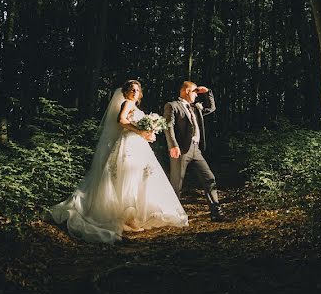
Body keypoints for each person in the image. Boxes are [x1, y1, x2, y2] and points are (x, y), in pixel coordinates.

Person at [50, 80, 188, 243]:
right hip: (128, 144)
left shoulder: (135, 107)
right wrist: (139, 131)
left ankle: (133, 217)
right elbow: (121, 121)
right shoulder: (127, 103)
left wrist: (149, 133)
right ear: (126, 92)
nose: (135, 92)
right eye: (131, 90)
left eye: (137, 90)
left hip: (139, 144)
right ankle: (124, 217)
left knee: (141, 178)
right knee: (126, 180)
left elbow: (138, 125)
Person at [163, 81, 225, 221]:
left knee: (209, 178)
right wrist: (173, 145)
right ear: (186, 91)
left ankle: (216, 212)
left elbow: (211, 108)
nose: (196, 95)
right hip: (181, 149)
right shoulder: (172, 106)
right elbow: (168, 126)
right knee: (176, 183)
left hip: (196, 149)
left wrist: (208, 92)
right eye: (194, 92)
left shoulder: (195, 107)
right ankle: (174, 215)